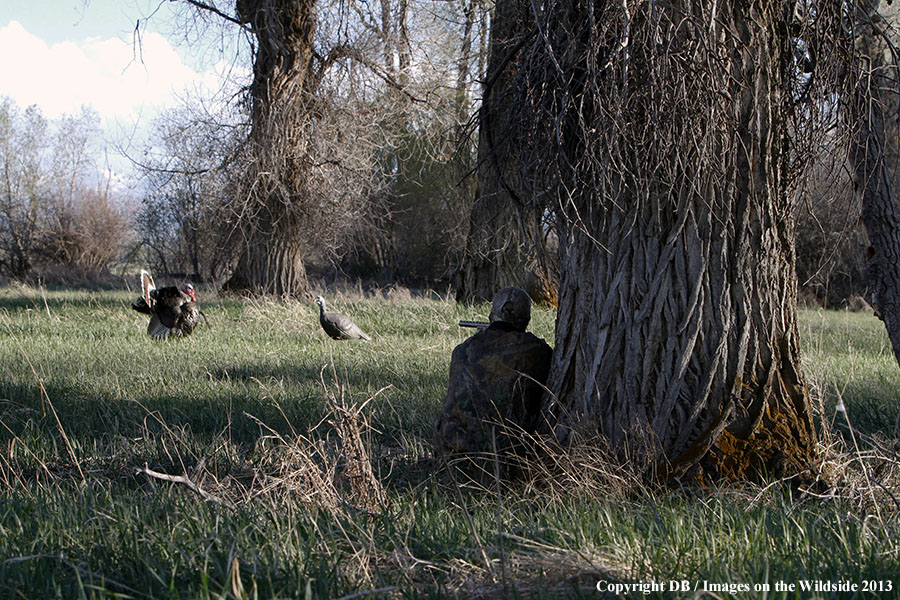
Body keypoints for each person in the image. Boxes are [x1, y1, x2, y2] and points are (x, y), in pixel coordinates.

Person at [435, 286, 553, 460]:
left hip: (453, 453)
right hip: (506, 456)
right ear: (526, 320)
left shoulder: (462, 350)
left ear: (491, 315)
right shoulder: (537, 351)